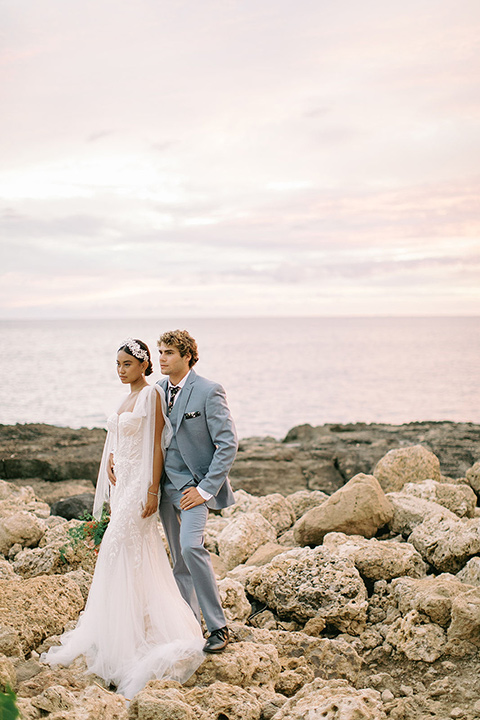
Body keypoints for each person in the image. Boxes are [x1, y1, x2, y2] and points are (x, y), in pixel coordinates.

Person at [42, 339, 205, 700]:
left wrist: (151, 489)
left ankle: (145, 632)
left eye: (127, 364)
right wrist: (113, 458)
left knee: (120, 545)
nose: (120, 370)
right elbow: (119, 438)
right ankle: (118, 628)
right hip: (123, 483)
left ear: (143, 365)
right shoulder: (123, 399)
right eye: (117, 364)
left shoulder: (151, 396)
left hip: (140, 487)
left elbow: (156, 443)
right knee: (123, 552)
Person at [157, 330, 238, 653]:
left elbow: (227, 444)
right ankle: (189, 624)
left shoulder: (208, 391)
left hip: (194, 489)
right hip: (164, 488)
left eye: (168, 353)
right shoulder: (157, 392)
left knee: (192, 548)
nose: (161, 358)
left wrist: (205, 490)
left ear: (187, 355)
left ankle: (218, 626)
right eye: (160, 352)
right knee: (177, 559)